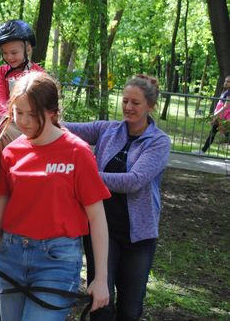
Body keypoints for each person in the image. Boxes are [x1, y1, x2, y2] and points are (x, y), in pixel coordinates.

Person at [0, 72, 110, 320]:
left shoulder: (77, 152)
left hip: (56, 261)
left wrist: (101, 278)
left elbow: (97, 218)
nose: (22, 121)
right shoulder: (11, 153)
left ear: (52, 112)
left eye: (31, 114)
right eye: (17, 112)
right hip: (11, 256)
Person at [64, 74, 171, 321]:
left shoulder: (158, 142)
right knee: (100, 303)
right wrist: (39, 115)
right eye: (125, 101)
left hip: (139, 237)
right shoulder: (108, 130)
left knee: (130, 309)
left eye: (135, 102)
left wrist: (87, 176)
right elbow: (67, 129)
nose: (128, 107)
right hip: (103, 231)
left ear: (150, 106)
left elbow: (133, 181)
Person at [0, 19, 45, 118]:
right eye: (5, 53)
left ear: (28, 49)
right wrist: (6, 114)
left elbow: (42, 103)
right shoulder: (2, 72)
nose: (9, 57)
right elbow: (0, 97)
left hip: (31, 119)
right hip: (8, 118)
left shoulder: (39, 74)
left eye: (14, 53)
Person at [198, 75, 230, 153]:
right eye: (225, 81)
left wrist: (215, 115)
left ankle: (202, 151)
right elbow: (219, 105)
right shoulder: (225, 92)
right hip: (219, 118)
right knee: (212, 133)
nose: (225, 83)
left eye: (228, 81)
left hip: (224, 118)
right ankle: (202, 151)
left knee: (227, 135)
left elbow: (226, 107)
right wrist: (215, 115)